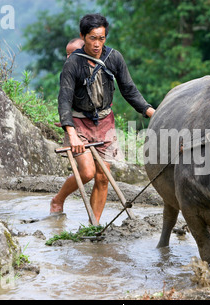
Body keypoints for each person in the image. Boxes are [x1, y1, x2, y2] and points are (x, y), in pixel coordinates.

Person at [50, 14, 155, 224]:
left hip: (105, 122)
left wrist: (152, 112)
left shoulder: (114, 58)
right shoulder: (73, 64)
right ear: (83, 36)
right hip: (79, 122)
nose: (97, 44)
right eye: (92, 38)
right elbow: (64, 100)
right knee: (88, 172)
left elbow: (129, 90)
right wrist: (71, 133)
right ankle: (57, 200)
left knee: (103, 177)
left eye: (101, 38)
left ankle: (94, 224)